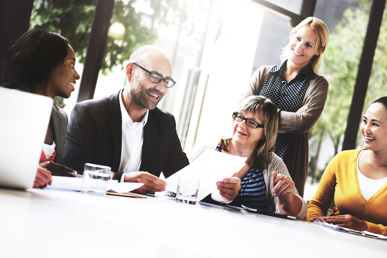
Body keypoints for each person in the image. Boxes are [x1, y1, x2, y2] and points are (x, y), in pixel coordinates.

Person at [62, 45, 189, 194]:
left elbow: (185, 180)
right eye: (154, 77)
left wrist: (221, 193)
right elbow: (71, 173)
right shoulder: (89, 114)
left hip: (139, 214)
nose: (161, 88)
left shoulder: (165, 123)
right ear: (130, 71)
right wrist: (122, 179)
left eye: (166, 81)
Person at [242, 17, 330, 197]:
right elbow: (244, 112)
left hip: (288, 162)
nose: (299, 47)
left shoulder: (318, 85)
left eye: (308, 44)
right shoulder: (264, 73)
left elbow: (302, 123)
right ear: (291, 36)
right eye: (298, 39)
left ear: (319, 50)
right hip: (249, 156)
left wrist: (260, 121)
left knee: (277, 215)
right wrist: (288, 120)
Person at [189, 96, 307, 219]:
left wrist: (288, 198)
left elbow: (301, 214)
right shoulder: (206, 150)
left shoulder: (272, 163)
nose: (241, 125)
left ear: (265, 133)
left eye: (252, 122)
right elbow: (173, 190)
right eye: (240, 117)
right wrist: (218, 195)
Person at [0, 28, 80, 188]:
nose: (77, 74)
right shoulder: (6, 104)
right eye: (71, 64)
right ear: (49, 65)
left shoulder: (61, 117)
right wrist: (23, 171)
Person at [307, 97, 387, 235]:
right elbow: (317, 204)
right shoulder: (342, 160)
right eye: (364, 121)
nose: (365, 129)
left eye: (375, 124)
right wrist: (317, 222)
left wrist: (365, 227)